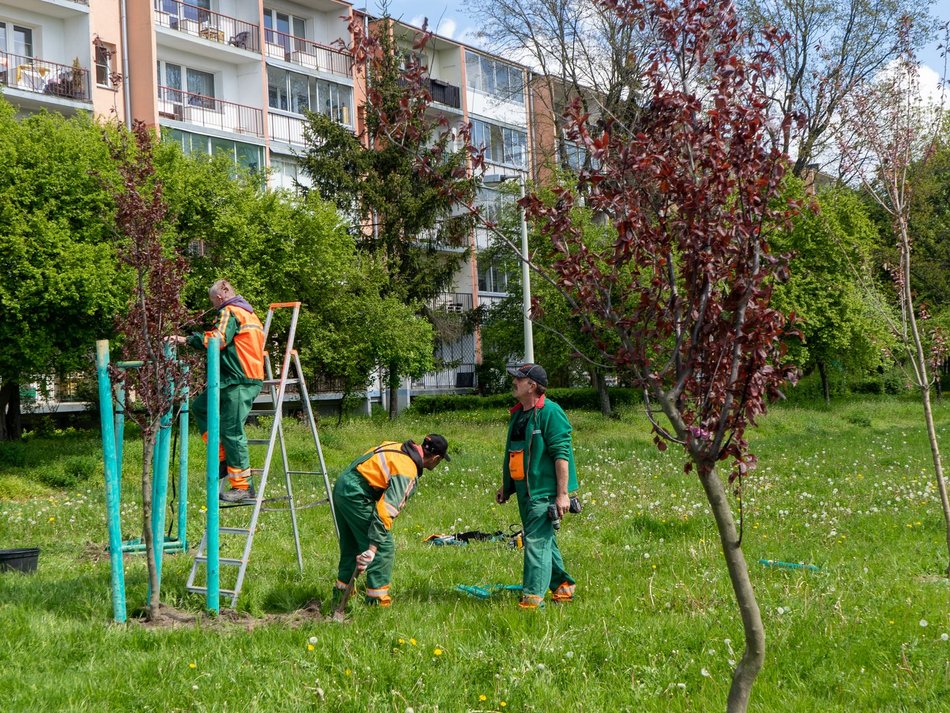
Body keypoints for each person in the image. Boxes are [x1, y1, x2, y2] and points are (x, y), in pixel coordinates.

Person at [171, 279, 265, 503]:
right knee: (200, 407)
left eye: (213, 302)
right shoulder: (249, 314)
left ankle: (243, 487)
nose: (213, 306)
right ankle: (223, 457)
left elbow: (218, 340)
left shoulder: (229, 311)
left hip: (238, 380)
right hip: (236, 379)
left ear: (220, 298)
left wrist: (186, 339)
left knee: (233, 431)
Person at [332, 434, 450, 607]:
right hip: (357, 494)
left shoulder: (395, 446)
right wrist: (372, 549)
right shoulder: (407, 470)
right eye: (439, 462)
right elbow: (387, 510)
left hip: (342, 486)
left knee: (351, 545)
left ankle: (341, 595)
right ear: (436, 458)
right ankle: (377, 603)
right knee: (383, 546)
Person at [496, 363, 578, 608]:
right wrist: (507, 486)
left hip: (543, 493)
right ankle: (563, 586)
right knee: (542, 539)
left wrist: (562, 495)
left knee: (536, 543)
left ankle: (532, 600)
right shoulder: (520, 413)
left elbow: (561, 454)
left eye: (518, 379)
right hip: (524, 491)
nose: (514, 382)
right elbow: (515, 453)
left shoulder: (551, 412)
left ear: (532, 386)